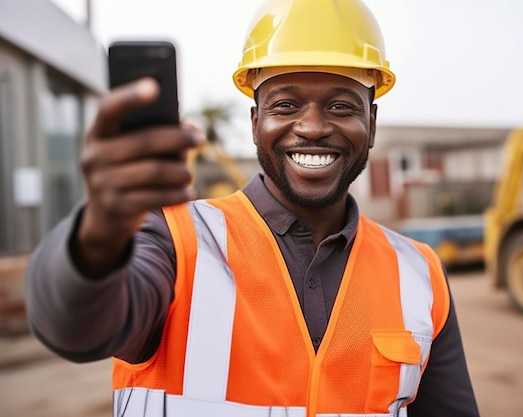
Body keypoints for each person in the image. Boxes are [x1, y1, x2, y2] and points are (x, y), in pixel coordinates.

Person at [25, 0, 480, 416]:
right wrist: (97, 235)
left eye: (342, 106)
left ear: (372, 123)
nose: (314, 127)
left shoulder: (419, 274)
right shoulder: (174, 240)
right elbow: (74, 329)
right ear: (256, 120)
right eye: (286, 104)